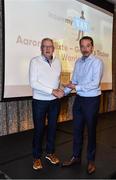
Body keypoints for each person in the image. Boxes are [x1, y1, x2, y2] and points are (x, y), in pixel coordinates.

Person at [62, 36, 103, 174]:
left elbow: (94, 83)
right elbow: (73, 80)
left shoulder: (97, 62)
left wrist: (76, 87)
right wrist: (63, 92)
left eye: (88, 46)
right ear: (80, 47)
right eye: (82, 46)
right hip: (79, 100)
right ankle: (76, 157)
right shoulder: (78, 62)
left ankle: (91, 160)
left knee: (91, 131)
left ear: (92, 47)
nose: (85, 49)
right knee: (77, 130)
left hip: (91, 101)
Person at [29, 38, 64, 170]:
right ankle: (36, 157)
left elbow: (57, 80)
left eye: (50, 46)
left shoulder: (57, 62)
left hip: (54, 102)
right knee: (39, 130)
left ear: (53, 48)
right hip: (40, 101)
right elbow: (33, 83)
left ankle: (50, 153)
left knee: (53, 128)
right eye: (45, 46)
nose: (47, 48)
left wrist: (62, 88)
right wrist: (52, 91)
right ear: (41, 48)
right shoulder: (35, 61)